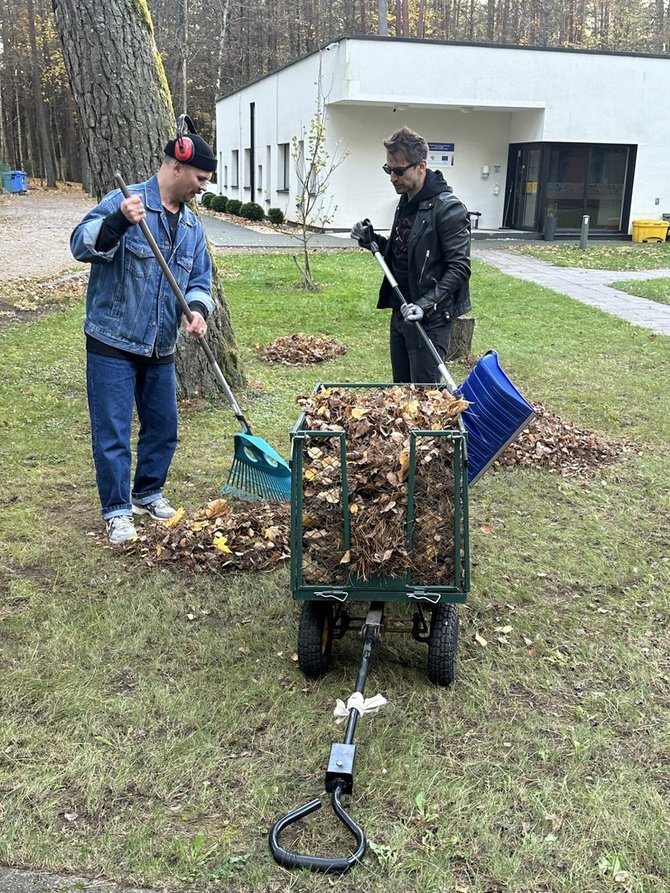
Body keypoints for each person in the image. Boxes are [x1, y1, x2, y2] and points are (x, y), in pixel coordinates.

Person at [70, 129, 217, 544]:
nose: (203, 188)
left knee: (164, 426)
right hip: (112, 340)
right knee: (113, 431)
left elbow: (200, 280)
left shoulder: (189, 226)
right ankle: (117, 511)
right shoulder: (128, 201)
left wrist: (199, 311)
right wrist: (117, 221)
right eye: (200, 179)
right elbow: (80, 244)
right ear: (177, 166)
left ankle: (147, 492)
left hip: (160, 343)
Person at [351, 126, 471, 384]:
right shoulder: (406, 202)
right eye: (388, 170)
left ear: (421, 166)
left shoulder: (448, 209)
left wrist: (424, 305)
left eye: (398, 171)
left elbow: (459, 268)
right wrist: (370, 239)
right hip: (401, 311)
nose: (392, 178)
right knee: (402, 394)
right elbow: (401, 255)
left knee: (425, 399)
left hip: (430, 319)